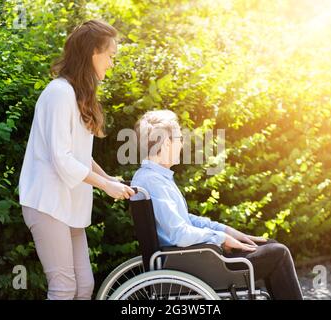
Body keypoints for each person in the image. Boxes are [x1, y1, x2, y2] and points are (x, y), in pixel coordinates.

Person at [18, 20, 135, 300]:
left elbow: (81, 156)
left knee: (83, 287)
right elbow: (62, 158)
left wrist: (109, 180)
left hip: (68, 205)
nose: (112, 63)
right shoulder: (59, 93)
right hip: (48, 203)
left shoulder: (79, 96)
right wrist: (105, 187)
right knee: (64, 288)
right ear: (93, 52)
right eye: (110, 56)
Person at [131, 110, 303, 300]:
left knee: (268, 245)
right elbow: (179, 234)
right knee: (277, 253)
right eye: (179, 138)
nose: (182, 143)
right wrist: (220, 238)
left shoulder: (153, 178)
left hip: (192, 257)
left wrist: (228, 231)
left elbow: (186, 221)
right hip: (192, 262)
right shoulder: (154, 182)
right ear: (166, 143)